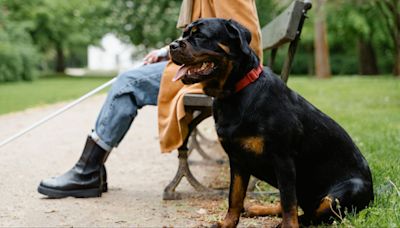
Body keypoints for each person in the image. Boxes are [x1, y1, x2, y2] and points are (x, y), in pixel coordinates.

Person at [38, 0, 263, 198]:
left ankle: (87, 171)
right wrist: (167, 51)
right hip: (203, 67)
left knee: (128, 83)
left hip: (223, 78)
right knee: (130, 79)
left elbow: (243, 42)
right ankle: (91, 169)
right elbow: (204, 34)